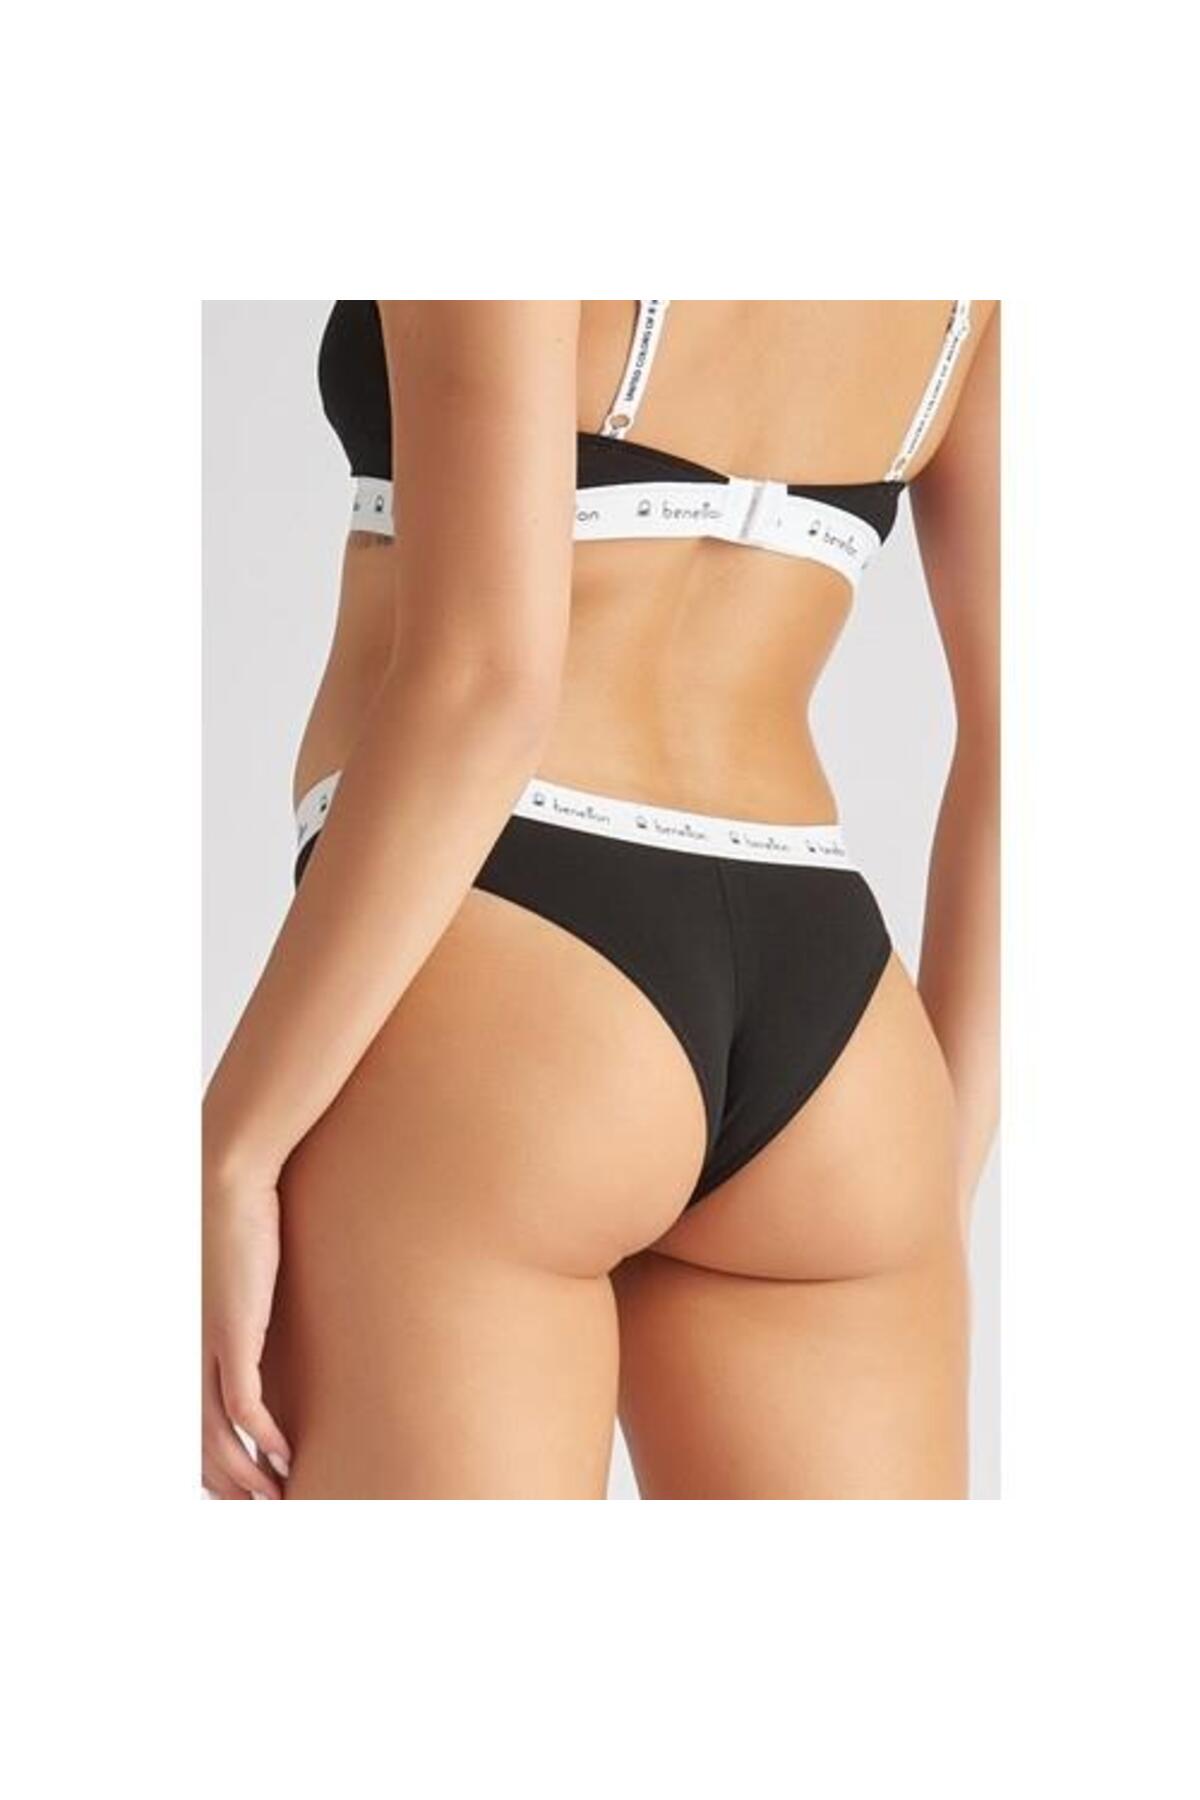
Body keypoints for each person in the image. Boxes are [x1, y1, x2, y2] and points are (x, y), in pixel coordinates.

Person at [202, 299, 999, 1499]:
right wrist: (933, 1181)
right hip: (842, 1050)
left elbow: (488, 683)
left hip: (509, 969)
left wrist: (234, 1150)